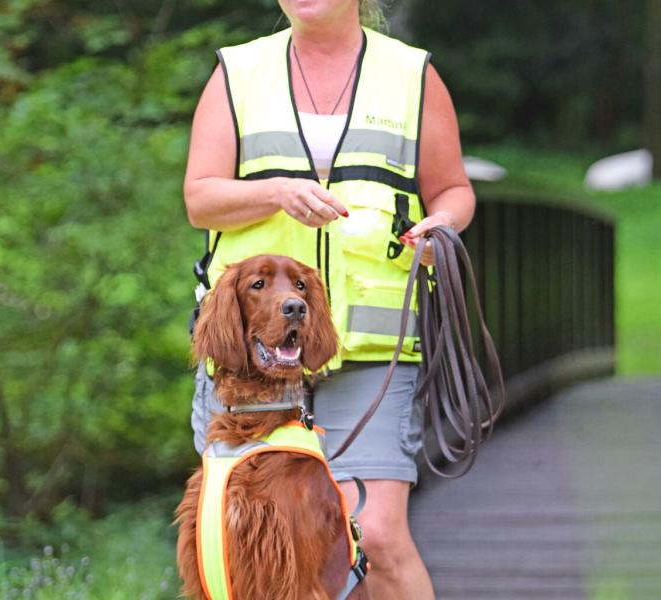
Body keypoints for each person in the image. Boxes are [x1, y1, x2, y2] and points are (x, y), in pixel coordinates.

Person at [184, 1, 475, 597]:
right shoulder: (237, 73)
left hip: (369, 352)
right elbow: (200, 198)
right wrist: (277, 193)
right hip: (250, 363)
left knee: (375, 535)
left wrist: (439, 226)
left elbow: (452, 189)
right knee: (238, 541)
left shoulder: (411, 74)